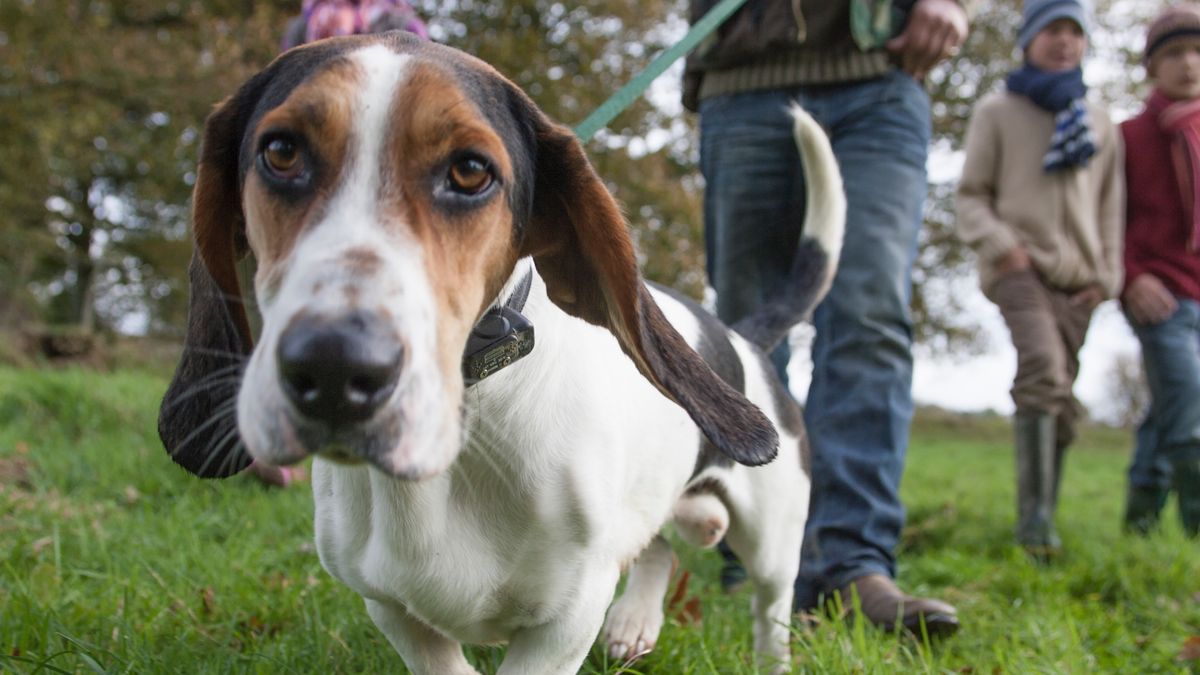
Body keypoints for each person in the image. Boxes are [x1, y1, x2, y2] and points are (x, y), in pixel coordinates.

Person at [684, 0, 969, 635]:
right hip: (742, 79)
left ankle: (854, 566)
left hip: (880, 76)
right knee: (744, 335)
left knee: (870, 319)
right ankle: (750, 560)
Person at [955, 0, 1123, 558]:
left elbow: (1109, 206)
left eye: (1075, 32)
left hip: (1082, 281)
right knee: (1044, 371)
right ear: (1029, 37)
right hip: (1019, 269)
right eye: (1054, 29)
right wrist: (1006, 248)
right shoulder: (997, 111)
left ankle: (1044, 509)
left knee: (1062, 400)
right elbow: (971, 195)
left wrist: (1108, 277)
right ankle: (1034, 527)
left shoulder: (1098, 120)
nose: (1065, 41)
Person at [243, 0, 429, 488]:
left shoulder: (402, 23)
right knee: (289, 301)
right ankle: (269, 435)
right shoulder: (302, 25)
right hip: (308, 196)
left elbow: (424, 88)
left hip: (397, 182)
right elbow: (288, 94)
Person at [1118, 4, 1200, 538]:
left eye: (1197, 52)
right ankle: (1197, 527)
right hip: (1160, 295)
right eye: (1173, 54)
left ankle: (1140, 520)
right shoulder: (1128, 137)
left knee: (1169, 406)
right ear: (1151, 66)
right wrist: (1130, 278)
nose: (1189, 64)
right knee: (1191, 405)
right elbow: (1106, 220)